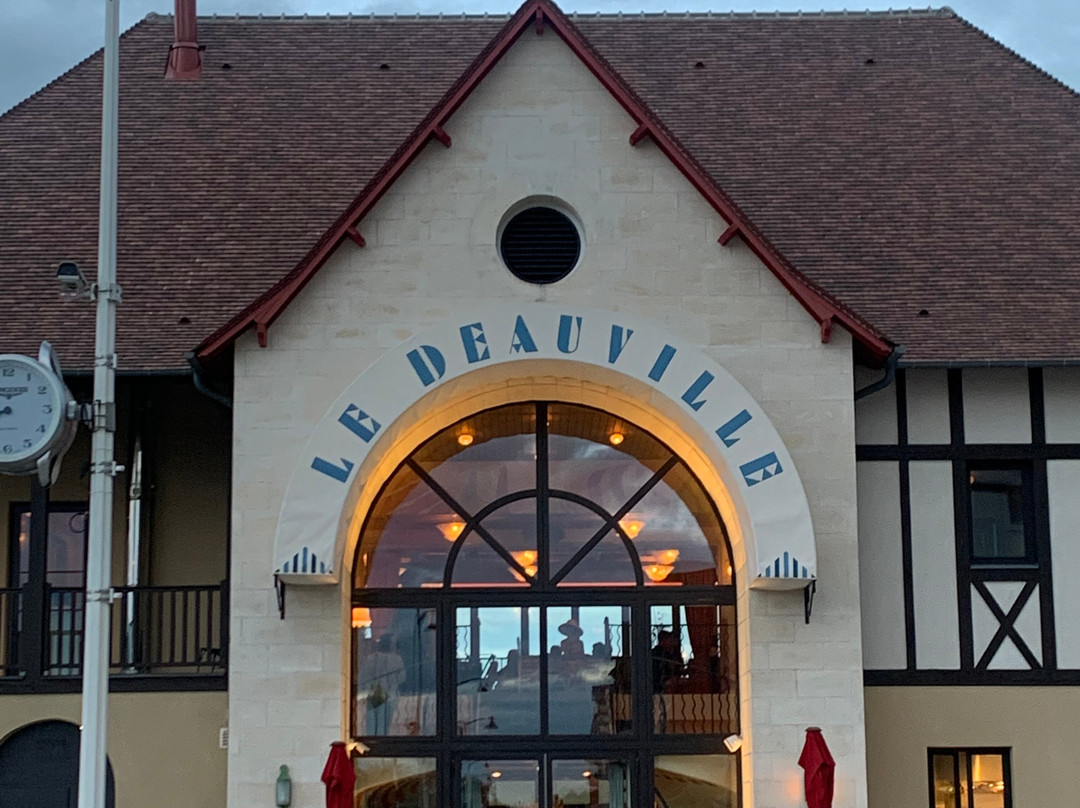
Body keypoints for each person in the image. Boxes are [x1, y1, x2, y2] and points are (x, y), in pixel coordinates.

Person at [357, 634, 405, 734]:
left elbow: (363, 676)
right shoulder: (396, 659)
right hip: (388, 696)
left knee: (372, 726)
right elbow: (402, 678)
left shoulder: (371, 658)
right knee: (384, 727)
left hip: (374, 695)